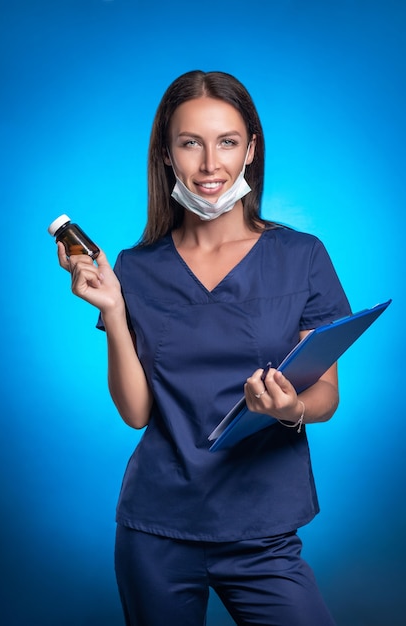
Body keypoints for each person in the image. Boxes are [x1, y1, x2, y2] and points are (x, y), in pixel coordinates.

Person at [57, 70, 351, 626]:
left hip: (262, 529)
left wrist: (292, 410)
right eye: (191, 143)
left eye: (227, 142)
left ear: (251, 150)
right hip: (156, 527)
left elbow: (327, 394)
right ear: (167, 154)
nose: (210, 165)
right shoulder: (135, 269)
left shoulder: (303, 255)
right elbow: (137, 413)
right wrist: (115, 312)